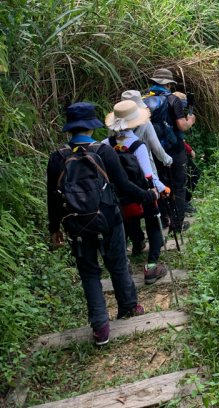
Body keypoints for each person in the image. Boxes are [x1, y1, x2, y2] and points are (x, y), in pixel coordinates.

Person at [47, 102, 158, 346]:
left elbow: (53, 197)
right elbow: (124, 185)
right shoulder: (104, 151)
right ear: (91, 125)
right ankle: (128, 306)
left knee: (89, 273)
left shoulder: (57, 157)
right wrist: (148, 195)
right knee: (118, 263)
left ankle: (100, 327)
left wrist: (54, 228)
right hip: (108, 218)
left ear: (70, 128)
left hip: (76, 224)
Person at [103, 100, 169, 285]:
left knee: (126, 224)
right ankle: (151, 267)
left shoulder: (104, 145)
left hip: (118, 198)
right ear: (136, 122)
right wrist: (163, 189)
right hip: (142, 196)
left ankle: (126, 263)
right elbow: (148, 176)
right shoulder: (137, 145)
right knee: (154, 226)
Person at [146, 68, 195, 233]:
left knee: (160, 184)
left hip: (153, 150)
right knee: (179, 186)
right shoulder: (173, 100)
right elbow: (182, 126)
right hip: (174, 150)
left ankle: (165, 219)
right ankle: (177, 224)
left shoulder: (143, 101)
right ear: (167, 84)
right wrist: (191, 120)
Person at [121, 89, 173, 231]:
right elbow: (156, 147)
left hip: (123, 169)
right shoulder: (145, 123)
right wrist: (167, 160)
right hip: (144, 167)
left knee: (130, 202)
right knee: (151, 200)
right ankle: (157, 234)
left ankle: (137, 239)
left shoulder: (115, 126)